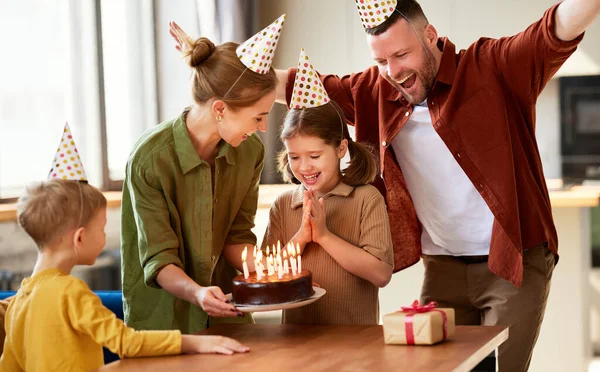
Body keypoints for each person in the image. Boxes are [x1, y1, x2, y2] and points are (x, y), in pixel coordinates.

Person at [275, 0, 600, 370]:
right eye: (382, 62)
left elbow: (555, 29)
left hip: (512, 259)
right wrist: (228, 74)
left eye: (402, 54)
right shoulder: (374, 90)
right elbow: (298, 86)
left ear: (430, 35)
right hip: (442, 264)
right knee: (433, 366)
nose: (394, 71)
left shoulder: (493, 66)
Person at [0, 125, 249, 372]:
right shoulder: (70, 292)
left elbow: (9, 366)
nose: (104, 236)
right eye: (101, 228)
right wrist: (198, 344)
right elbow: (125, 342)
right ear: (79, 238)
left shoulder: (19, 300)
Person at [120, 16, 285, 334]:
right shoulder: (149, 160)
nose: (263, 128)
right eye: (259, 117)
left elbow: (237, 237)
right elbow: (159, 258)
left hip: (226, 314)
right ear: (221, 109)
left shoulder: (250, 152)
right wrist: (197, 293)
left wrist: (277, 276)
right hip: (165, 323)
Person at [262, 50, 393, 325]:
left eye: (315, 156)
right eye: (295, 157)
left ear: (341, 148)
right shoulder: (284, 205)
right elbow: (266, 277)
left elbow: (381, 274)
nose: (305, 167)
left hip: (356, 348)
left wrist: (323, 236)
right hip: (297, 344)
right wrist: (301, 237)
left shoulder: (366, 198)